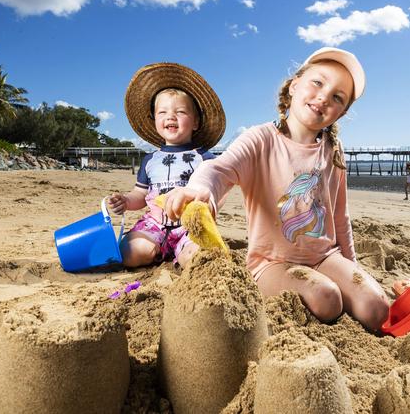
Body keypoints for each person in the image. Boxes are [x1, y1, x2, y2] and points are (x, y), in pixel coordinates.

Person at [161, 47, 389, 331]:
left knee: (376, 307)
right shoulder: (260, 139)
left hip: (325, 256)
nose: (323, 97)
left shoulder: (333, 150)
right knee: (326, 298)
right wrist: (199, 189)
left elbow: (340, 217)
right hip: (272, 263)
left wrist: (352, 268)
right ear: (294, 85)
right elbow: (219, 169)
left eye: (337, 97)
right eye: (317, 82)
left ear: (341, 113)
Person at [107, 62, 226, 269]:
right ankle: (156, 250)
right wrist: (126, 200)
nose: (171, 116)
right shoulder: (150, 160)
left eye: (180, 111)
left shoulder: (204, 158)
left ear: (196, 122)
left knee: (198, 259)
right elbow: (141, 195)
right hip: (154, 224)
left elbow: (217, 190)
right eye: (162, 112)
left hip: (190, 226)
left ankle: (183, 253)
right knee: (130, 253)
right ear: (154, 119)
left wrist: (206, 205)